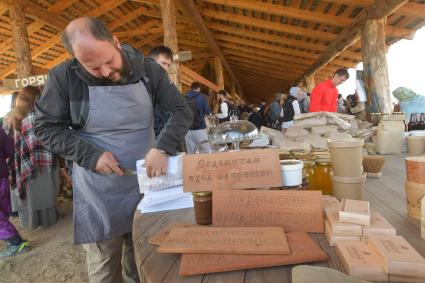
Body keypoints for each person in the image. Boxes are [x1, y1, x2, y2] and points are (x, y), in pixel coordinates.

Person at [34, 17, 192, 283]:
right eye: (92, 67)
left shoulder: (149, 70)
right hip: (99, 191)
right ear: (75, 58)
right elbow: (46, 127)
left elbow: (180, 111)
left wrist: (162, 147)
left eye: (109, 61)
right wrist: (90, 155)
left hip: (147, 185)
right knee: (104, 265)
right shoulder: (63, 77)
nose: (106, 71)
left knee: (141, 258)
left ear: (115, 41)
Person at [11, 86, 60, 231]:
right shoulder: (38, 117)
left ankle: (32, 221)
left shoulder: (15, 117)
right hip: (44, 161)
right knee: (45, 192)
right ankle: (47, 220)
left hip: (25, 164)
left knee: (31, 194)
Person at [0, 126, 30, 257]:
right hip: (2, 176)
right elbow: (9, 150)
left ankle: (16, 243)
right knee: (3, 209)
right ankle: (12, 239)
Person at [148, 45, 173, 137]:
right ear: (151, 62)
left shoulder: (165, 85)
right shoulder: (140, 84)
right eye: (163, 63)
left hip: (162, 138)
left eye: (168, 65)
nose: (166, 68)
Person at [185, 82, 211, 154]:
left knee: (191, 153)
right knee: (205, 151)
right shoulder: (202, 97)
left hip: (187, 129)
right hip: (200, 128)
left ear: (191, 88)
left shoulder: (184, 97)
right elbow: (207, 111)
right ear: (199, 88)